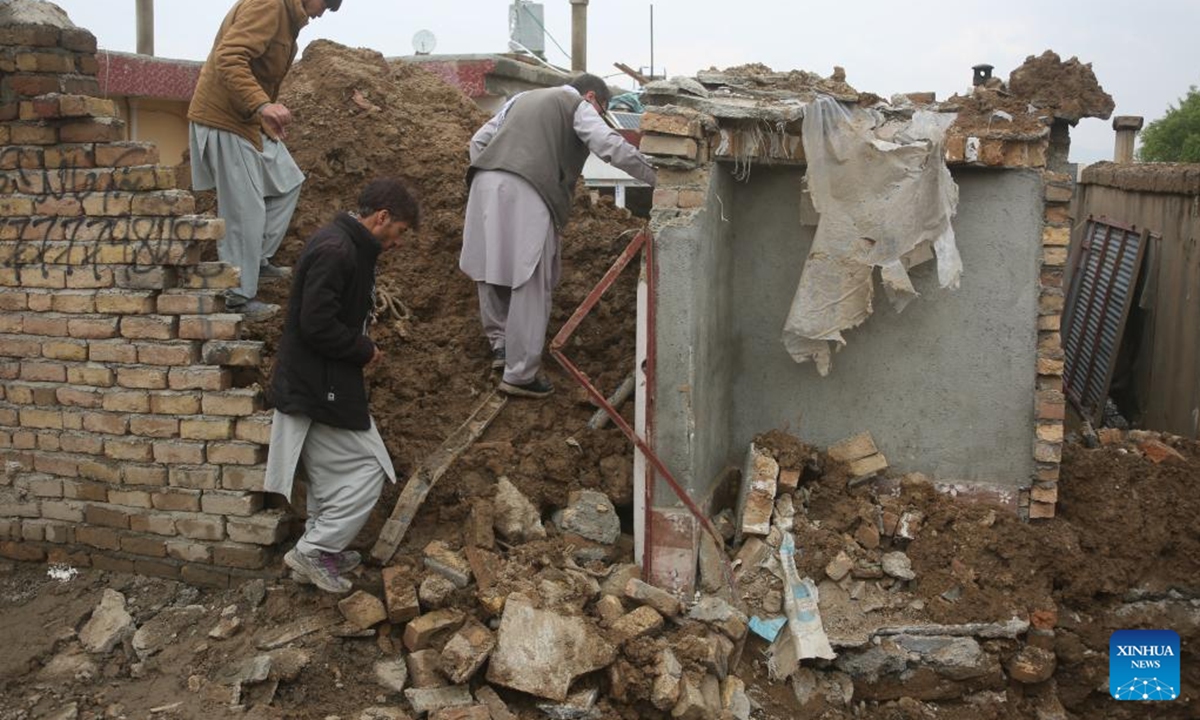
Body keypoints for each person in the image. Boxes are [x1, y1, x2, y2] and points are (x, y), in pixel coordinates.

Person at [264, 177, 419, 594]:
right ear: (382, 217)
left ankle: (322, 547)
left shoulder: (345, 245)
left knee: (329, 474)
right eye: (399, 231)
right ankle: (314, 549)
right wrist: (362, 349)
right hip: (318, 384)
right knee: (370, 468)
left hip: (317, 380)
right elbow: (315, 324)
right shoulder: (338, 250)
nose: (398, 242)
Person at [460, 73, 657, 398]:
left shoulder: (520, 100)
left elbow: (479, 141)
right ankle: (520, 374)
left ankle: (501, 347)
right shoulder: (574, 104)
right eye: (601, 110)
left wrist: (496, 172)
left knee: (490, 267)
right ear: (592, 97)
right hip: (529, 189)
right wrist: (655, 177)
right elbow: (608, 145)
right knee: (531, 278)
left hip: (484, 182)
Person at [187, 0, 342, 321]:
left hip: (247, 120)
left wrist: (261, 113)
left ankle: (256, 260)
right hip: (222, 119)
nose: (320, 14)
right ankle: (236, 294)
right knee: (245, 210)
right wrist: (262, 105)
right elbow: (229, 58)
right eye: (324, 5)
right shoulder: (269, 5)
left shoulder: (287, 18)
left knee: (287, 182)